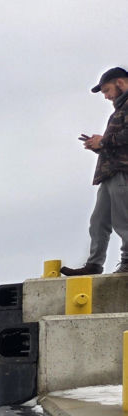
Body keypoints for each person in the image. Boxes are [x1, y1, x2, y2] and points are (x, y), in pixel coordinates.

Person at [61, 67, 128, 276]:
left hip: (122, 172)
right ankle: (94, 264)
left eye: (107, 90)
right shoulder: (120, 109)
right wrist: (98, 145)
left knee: (123, 220)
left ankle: (127, 262)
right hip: (110, 174)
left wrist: (103, 141)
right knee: (98, 221)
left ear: (120, 83)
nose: (106, 96)